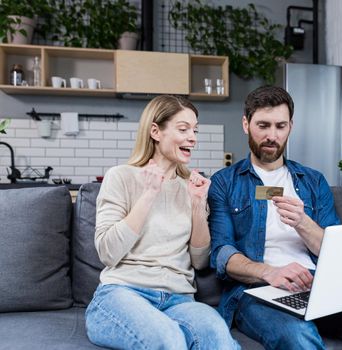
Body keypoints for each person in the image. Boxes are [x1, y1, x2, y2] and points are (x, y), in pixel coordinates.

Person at [208, 86, 342, 349]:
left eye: (280, 126)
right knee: (297, 336)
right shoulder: (224, 183)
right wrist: (271, 273)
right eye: (263, 125)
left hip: (321, 285)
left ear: (291, 126)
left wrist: (303, 222)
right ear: (246, 124)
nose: (272, 135)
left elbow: (335, 249)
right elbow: (222, 254)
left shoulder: (313, 181)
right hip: (256, 290)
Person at [85, 95, 239, 350]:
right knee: (169, 340)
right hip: (123, 293)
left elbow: (200, 261)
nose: (193, 137)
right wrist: (149, 194)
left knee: (218, 337)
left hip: (178, 300)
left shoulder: (190, 186)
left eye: (195, 130)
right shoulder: (121, 177)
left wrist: (199, 205)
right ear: (155, 131)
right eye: (183, 129)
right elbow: (108, 252)